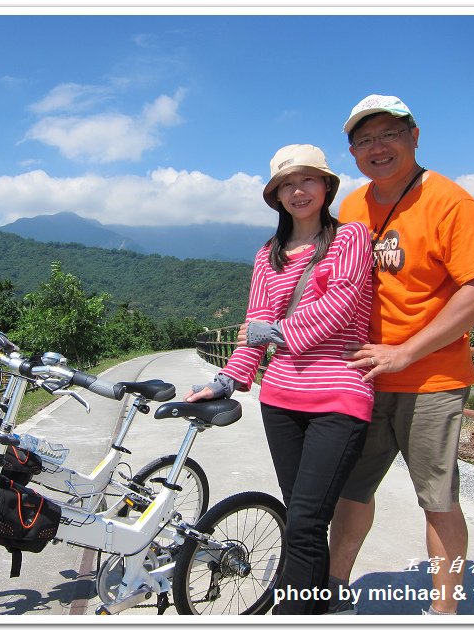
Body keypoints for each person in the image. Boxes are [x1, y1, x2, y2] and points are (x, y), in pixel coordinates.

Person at [327, 95, 474, 615]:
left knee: (437, 498)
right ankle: (332, 593)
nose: (377, 147)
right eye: (364, 140)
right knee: (351, 491)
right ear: (353, 151)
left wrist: (405, 352)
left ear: (415, 135)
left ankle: (443, 613)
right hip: (364, 375)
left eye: (389, 134)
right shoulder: (353, 207)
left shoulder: (450, 201)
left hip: (432, 379)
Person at [185, 144, 374, 615]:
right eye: (286, 184)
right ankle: (320, 606)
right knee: (299, 516)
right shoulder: (267, 255)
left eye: (307, 179)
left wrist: (275, 332)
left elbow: (339, 307)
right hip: (282, 397)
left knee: (307, 521)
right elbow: (254, 322)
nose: (297, 190)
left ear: (326, 186)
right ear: (276, 196)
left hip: (339, 394)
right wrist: (228, 380)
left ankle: (291, 616)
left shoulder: (350, 238)